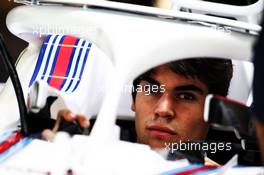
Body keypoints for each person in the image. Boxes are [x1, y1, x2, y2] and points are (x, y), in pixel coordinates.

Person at [42, 58, 233, 151]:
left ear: (216, 111)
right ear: (134, 99)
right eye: (152, 90)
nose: (163, 109)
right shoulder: (89, 161)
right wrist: (53, 155)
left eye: (186, 96)